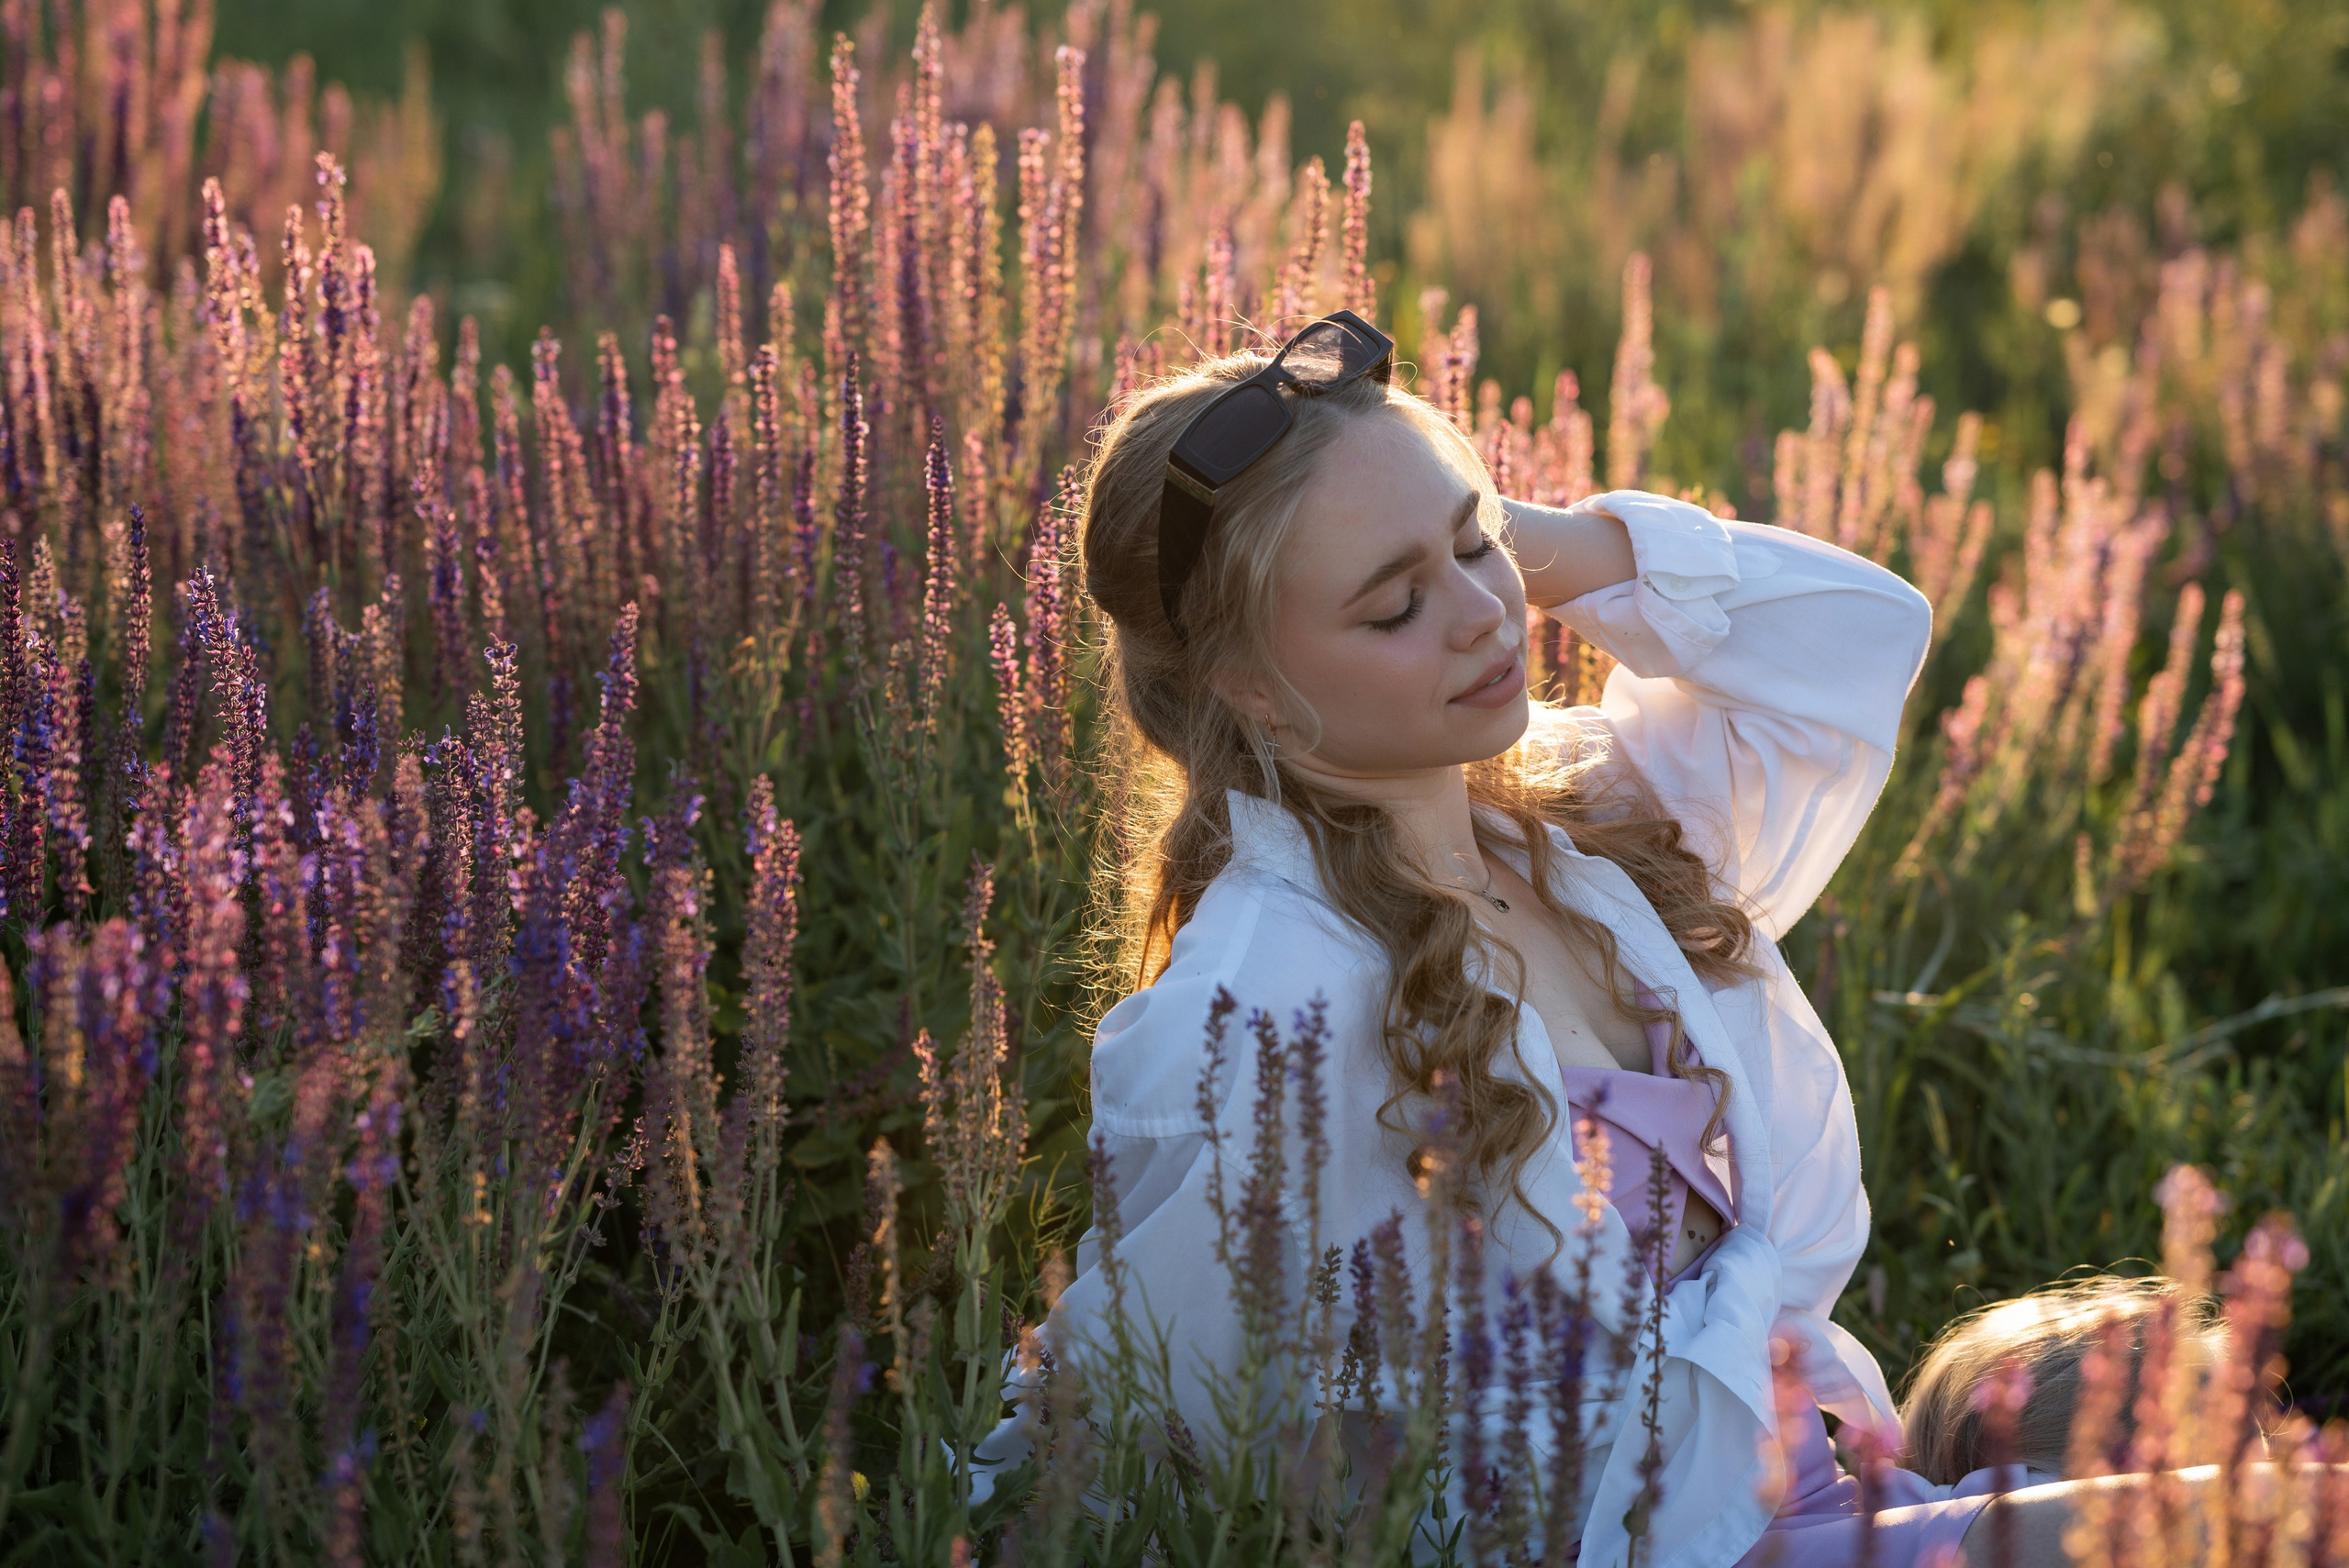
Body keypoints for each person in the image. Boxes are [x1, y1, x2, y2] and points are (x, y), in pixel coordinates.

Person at [1042, 310, 2192, 1566]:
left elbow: (1863, 635)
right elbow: (1168, 1409)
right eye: (1395, 607)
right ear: (1251, 686)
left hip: (1823, 1472)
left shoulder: (1584, 818)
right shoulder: (1266, 994)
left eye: (1479, 543)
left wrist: (1518, 536)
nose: (1487, 615)